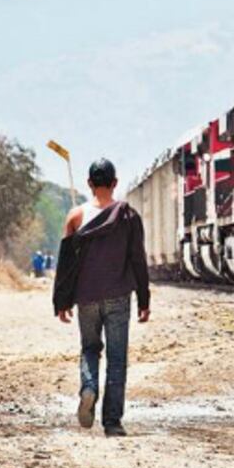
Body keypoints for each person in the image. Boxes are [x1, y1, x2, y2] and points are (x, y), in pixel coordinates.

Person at [53, 158, 150, 437]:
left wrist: (61, 302)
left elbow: (66, 266)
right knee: (117, 359)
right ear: (115, 183)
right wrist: (144, 300)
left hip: (86, 298)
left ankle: (88, 388)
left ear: (89, 184)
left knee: (90, 349)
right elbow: (137, 261)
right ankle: (112, 422)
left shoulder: (75, 217)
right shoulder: (128, 216)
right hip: (119, 296)